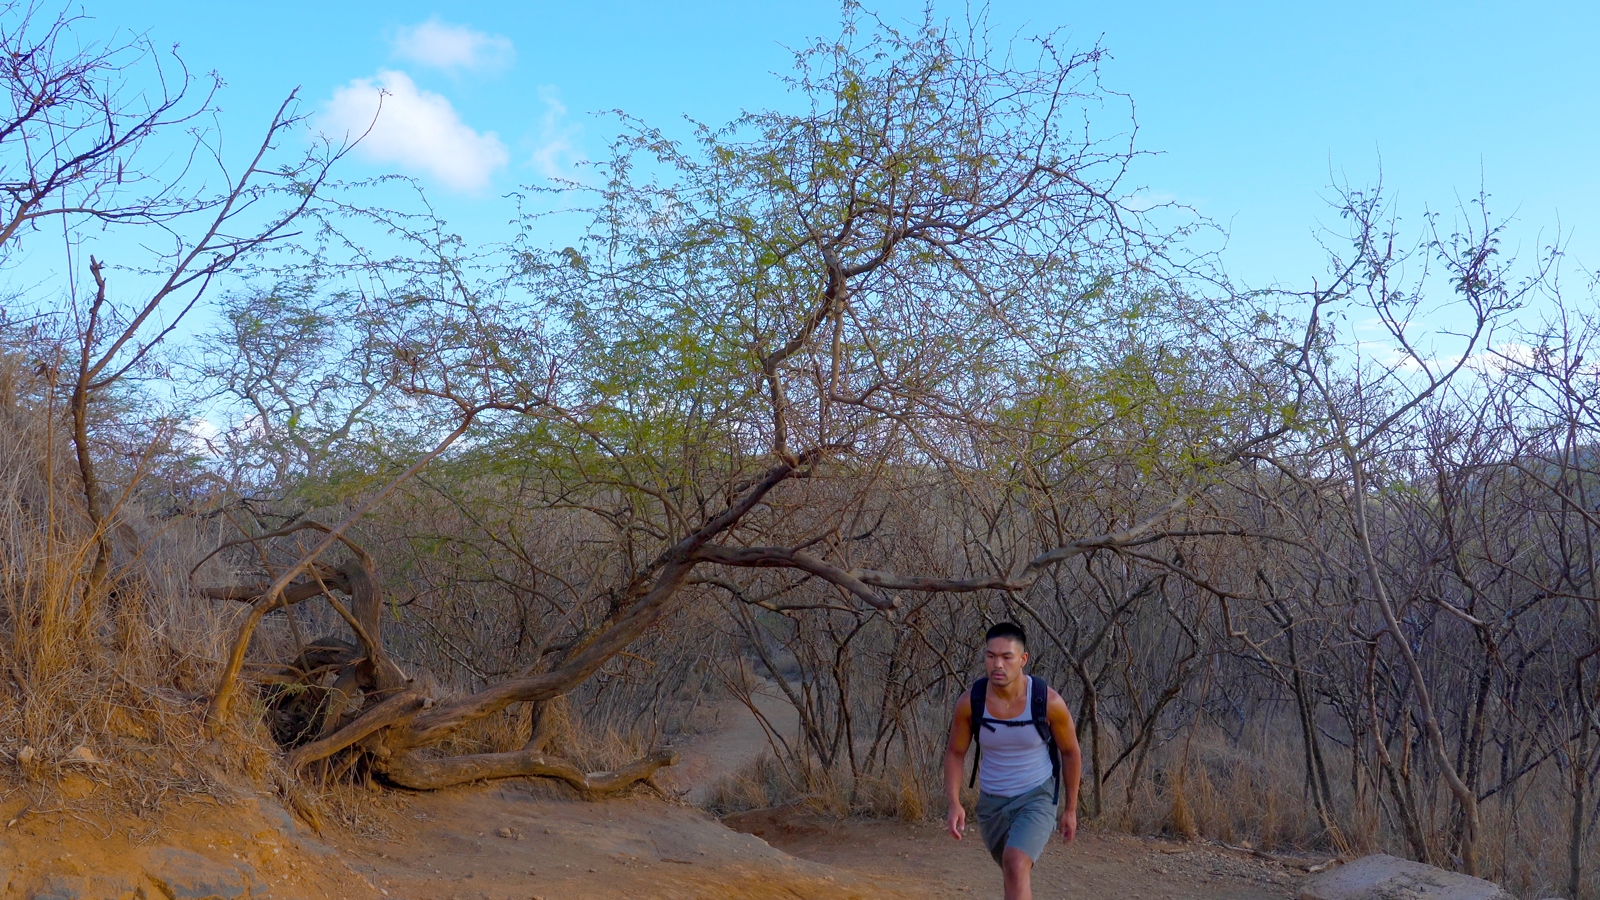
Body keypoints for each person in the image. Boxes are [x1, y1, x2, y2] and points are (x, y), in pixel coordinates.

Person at [943, 621, 1081, 900]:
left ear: (1023, 659)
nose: (997, 664)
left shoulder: (1048, 702)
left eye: (1006, 657)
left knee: (1016, 864)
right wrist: (954, 803)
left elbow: (1071, 752)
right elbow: (955, 753)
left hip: (1036, 796)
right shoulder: (971, 703)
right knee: (1011, 870)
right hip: (992, 803)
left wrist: (1070, 809)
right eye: (991, 656)